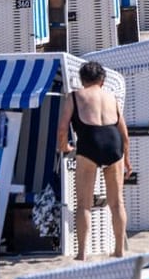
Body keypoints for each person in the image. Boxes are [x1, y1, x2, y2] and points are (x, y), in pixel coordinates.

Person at [56, 61, 130, 259]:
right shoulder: (111, 97)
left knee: (84, 204)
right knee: (117, 204)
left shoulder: (74, 96)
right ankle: (119, 250)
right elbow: (124, 133)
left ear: (82, 80)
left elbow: (63, 129)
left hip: (89, 145)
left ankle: (81, 253)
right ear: (102, 80)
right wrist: (127, 159)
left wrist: (64, 147)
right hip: (114, 145)